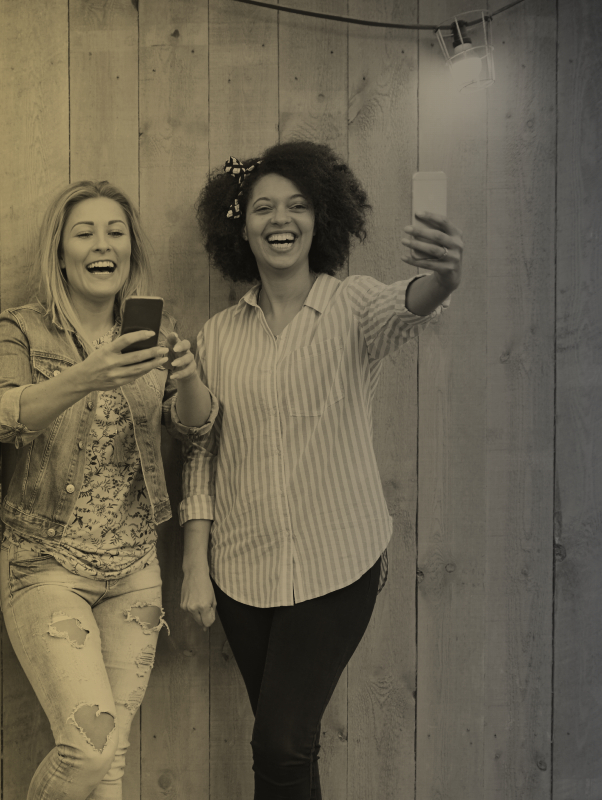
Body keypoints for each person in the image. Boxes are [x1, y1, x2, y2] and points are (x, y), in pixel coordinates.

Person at [184, 141, 465, 799]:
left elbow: (411, 302)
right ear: (240, 222)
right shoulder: (216, 336)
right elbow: (203, 452)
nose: (281, 220)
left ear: (320, 219)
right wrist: (196, 563)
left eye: (298, 206)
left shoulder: (353, 307)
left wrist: (446, 277)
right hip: (242, 573)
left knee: (277, 743)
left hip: (338, 565)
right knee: (293, 749)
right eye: (263, 208)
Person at [0, 180, 216, 799]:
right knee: (86, 749)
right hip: (45, 564)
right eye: (84, 232)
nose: (101, 244)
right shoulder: (24, 328)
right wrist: (86, 376)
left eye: (115, 232)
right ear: (60, 251)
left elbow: (194, 429)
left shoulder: (155, 330)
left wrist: (187, 377)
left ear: (131, 252)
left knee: (111, 761)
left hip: (134, 567)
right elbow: (3, 413)